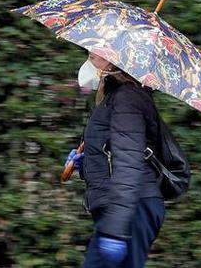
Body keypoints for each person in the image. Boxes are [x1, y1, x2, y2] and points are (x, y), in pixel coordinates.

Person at [65, 52, 165, 268]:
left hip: (130, 209)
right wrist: (86, 162)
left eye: (97, 51)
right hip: (125, 207)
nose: (90, 52)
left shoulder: (127, 99)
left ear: (117, 58)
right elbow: (111, 150)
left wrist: (116, 230)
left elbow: (129, 164)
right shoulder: (114, 97)